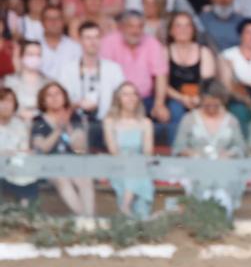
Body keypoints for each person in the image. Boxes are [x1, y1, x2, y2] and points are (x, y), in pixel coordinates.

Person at [172, 81, 247, 217]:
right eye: (207, 104)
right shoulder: (189, 119)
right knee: (202, 190)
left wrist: (229, 153)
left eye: (215, 105)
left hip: (224, 169)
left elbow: (241, 147)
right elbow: (178, 147)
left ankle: (223, 220)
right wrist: (192, 153)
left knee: (223, 191)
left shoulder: (232, 121)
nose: (211, 108)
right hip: (196, 168)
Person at [30, 81, 93, 216]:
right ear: (43, 100)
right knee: (61, 178)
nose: (54, 97)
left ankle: (90, 217)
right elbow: (43, 148)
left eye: (57, 93)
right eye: (49, 95)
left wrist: (68, 126)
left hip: (72, 162)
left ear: (64, 96)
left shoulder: (75, 118)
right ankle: (84, 217)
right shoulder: (38, 121)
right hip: (49, 165)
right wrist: (59, 129)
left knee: (84, 178)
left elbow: (79, 148)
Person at [56, 21, 123, 147]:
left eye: (97, 37)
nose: (93, 42)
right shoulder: (67, 69)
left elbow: (120, 99)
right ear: (80, 40)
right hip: (76, 123)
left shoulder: (114, 69)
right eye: (88, 38)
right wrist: (78, 104)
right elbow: (61, 102)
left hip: (107, 123)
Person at [100, 11, 169, 128]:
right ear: (121, 27)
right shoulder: (108, 42)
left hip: (144, 99)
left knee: (165, 115)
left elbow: (161, 75)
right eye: (131, 26)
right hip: (115, 100)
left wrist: (159, 104)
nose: (135, 31)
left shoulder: (152, 43)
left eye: (140, 27)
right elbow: (103, 75)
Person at [103, 82, 155, 219]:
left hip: (140, 164)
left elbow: (147, 151)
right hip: (118, 164)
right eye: (125, 94)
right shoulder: (110, 121)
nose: (130, 98)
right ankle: (127, 208)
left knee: (137, 166)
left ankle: (125, 207)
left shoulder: (145, 123)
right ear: (118, 99)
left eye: (133, 94)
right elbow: (113, 150)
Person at [165, 12, 217, 141]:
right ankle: (178, 149)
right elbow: (162, 85)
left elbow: (208, 83)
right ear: (171, 31)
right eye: (178, 26)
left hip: (200, 97)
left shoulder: (204, 52)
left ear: (193, 31)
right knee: (175, 109)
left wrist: (198, 98)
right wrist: (182, 98)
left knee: (207, 107)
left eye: (187, 26)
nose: (183, 30)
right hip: (175, 97)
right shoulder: (164, 51)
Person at [0, 86, 37, 205]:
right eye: (2, 100)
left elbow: (23, 148)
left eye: (10, 101)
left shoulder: (19, 124)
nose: (6, 104)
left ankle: (25, 210)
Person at [2, 39, 45, 120]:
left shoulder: (48, 82)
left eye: (38, 55)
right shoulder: (9, 82)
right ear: (21, 57)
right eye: (30, 54)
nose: (35, 58)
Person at [34, 4, 80, 78]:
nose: (53, 22)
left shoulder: (75, 47)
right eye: (49, 19)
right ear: (42, 23)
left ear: (63, 22)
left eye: (57, 18)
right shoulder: (34, 47)